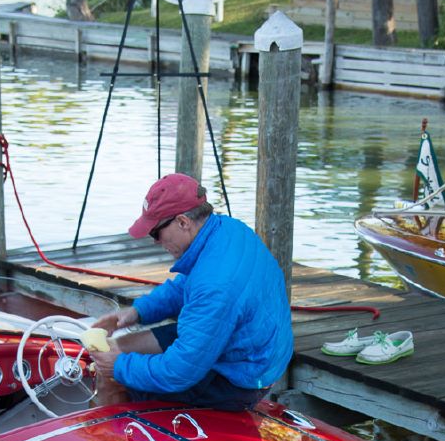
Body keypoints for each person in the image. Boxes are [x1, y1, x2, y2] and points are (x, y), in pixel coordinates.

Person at [90, 173, 293, 411]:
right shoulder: (226, 229)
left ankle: (108, 432)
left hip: (242, 376)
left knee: (112, 378)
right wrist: (137, 313)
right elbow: (186, 284)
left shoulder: (215, 285)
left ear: (183, 222)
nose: (156, 242)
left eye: (156, 233)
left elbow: (179, 372)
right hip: (239, 342)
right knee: (118, 347)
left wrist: (118, 368)